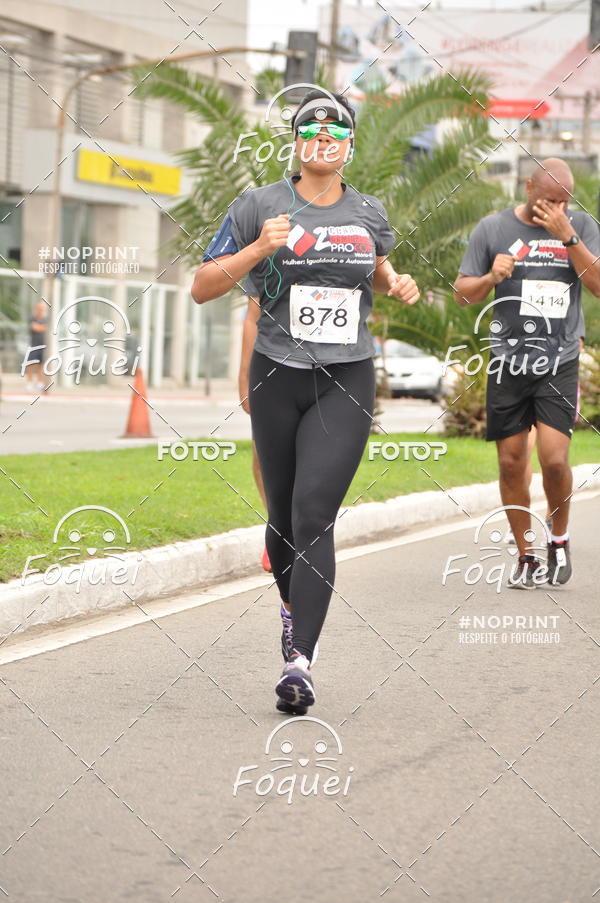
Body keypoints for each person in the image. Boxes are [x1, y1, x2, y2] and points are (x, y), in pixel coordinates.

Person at [192, 89, 419, 712]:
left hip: (345, 376)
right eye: (312, 129)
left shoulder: (368, 211)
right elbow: (203, 286)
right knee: (284, 519)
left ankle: (300, 663)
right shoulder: (257, 205)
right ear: (295, 142)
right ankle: (292, 610)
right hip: (277, 372)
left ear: (350, 145)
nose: (324, 138)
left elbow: (378, 269)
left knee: (315, 511)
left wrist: (397, 281)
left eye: (336, 131)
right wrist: (258, 248)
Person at [454, 158, 600, 588]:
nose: (556, 208)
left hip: (558, 360)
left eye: (564, 201)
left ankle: (559, 537)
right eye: (549, 199)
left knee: (554, 459)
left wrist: (568, 237)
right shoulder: (493, 228)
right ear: (528, 189)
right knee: (511, 462)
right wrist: (490, 276)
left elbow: (597, 285)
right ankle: (526, 556)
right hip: (508, 360)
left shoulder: (581, 227)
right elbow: (462, 294)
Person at [238, 297, 272, 573]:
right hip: (273, 365)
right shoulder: (267, 266)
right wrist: (244, 379)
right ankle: (278, 527)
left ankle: (307, 527)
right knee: (263, 453)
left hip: (330, 367)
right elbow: (252, 315)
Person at [25, 300, 48, 392]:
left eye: (42, 308)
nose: (40, 310)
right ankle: (29, 383)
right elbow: (35, 327)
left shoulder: (46, 319)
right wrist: (41, 327)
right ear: (36, 308)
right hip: (33, 345)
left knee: (41, 365)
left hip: (43, 345)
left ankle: (39, 383)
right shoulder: (32, 318)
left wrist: (40, 327)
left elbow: (44, 328)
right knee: (31, 364)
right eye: (39, 308)